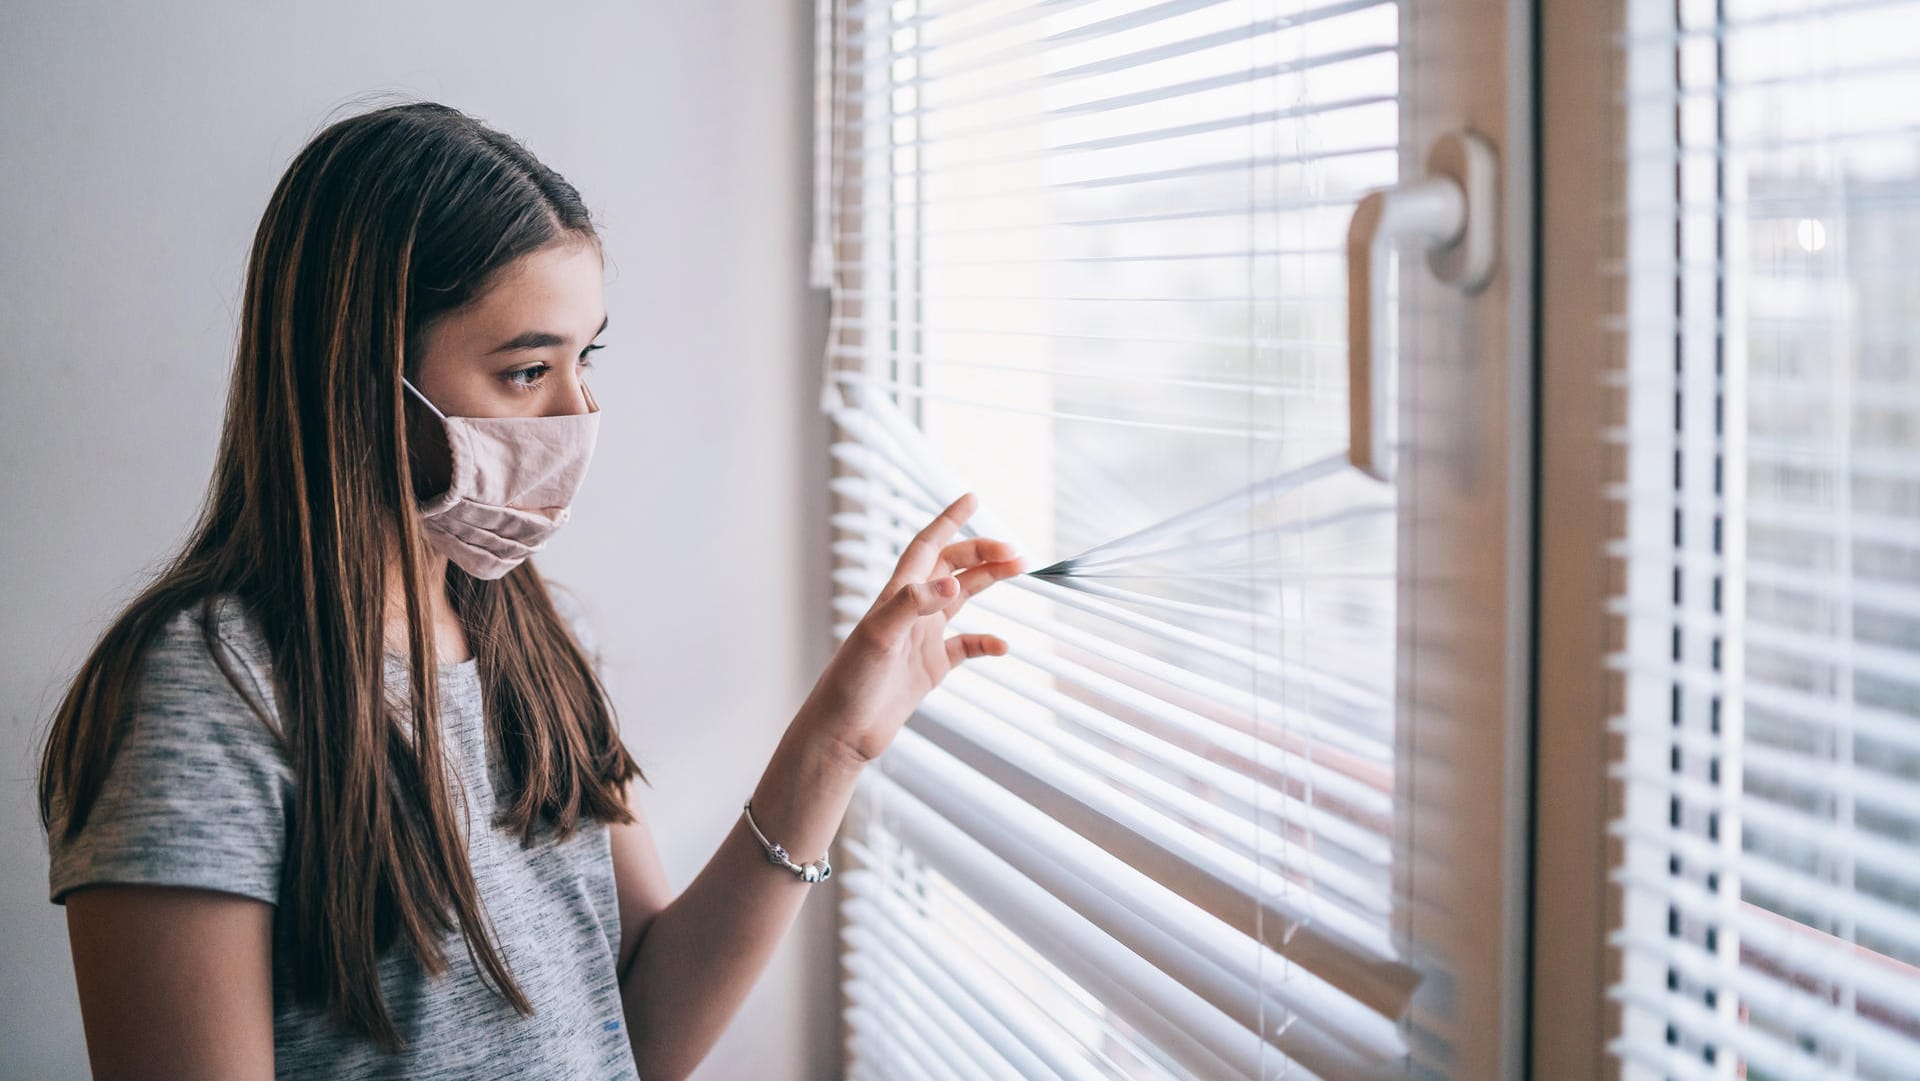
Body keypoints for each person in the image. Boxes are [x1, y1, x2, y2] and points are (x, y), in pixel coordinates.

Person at [35, 99, 1025, 1081]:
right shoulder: (200, 700)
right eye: (524, 370)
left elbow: (635, 1033)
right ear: (358, 375)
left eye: (583, 357)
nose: (579, 410)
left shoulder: (530, 636)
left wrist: (835, 744)